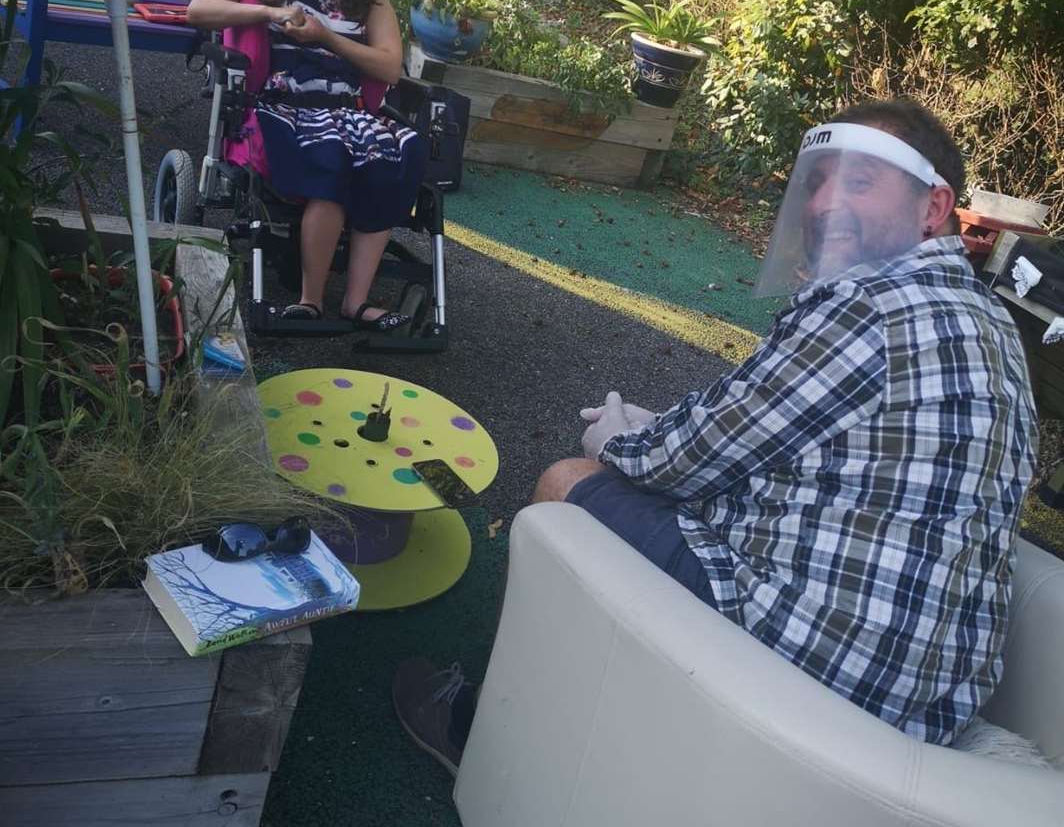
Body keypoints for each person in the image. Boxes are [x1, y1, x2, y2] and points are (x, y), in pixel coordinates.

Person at [393, 99, 1037, 772]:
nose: (821, 204)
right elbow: (787, 437)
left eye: (858, 181)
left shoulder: (871, 306)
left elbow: (685, 463)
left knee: (566, 487)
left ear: (933, 208)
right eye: (817, 181)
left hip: (824, 666)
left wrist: (615, 441)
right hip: (919, 699)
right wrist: (667, 428)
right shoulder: (989, 326)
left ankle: (488, 736)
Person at [187, 0, 423, 329]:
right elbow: (198, 9)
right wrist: (270, 13)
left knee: (391, 157)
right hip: (290, 104)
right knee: (329, 160)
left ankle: (356, 302)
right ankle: (311, 299)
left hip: (347, 107)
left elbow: (390, 65)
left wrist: (326, 37)